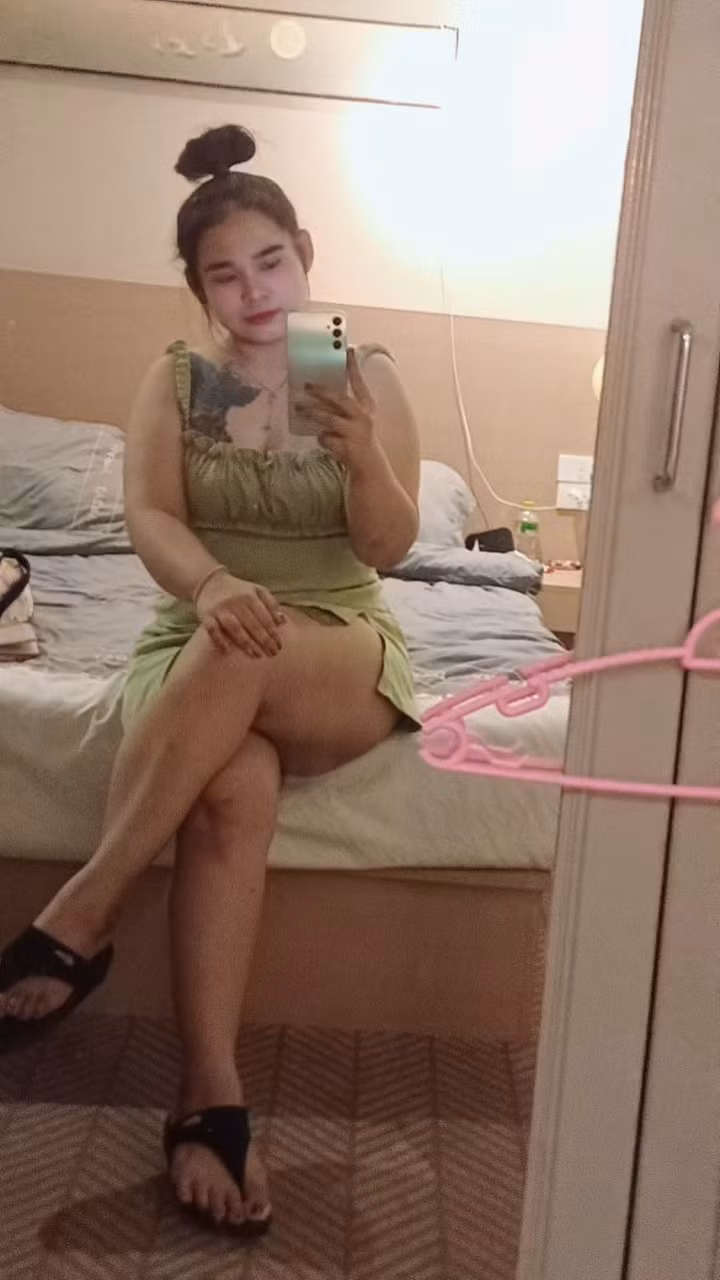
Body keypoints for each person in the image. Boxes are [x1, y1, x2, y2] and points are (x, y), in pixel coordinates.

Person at [0, 125, 421, 1237]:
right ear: (198, 289)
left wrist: (363, 453)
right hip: (199, 631)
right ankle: (209, 1095)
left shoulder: (360, 370)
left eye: (272, 262)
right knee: (232, 783)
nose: (255, 291)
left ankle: (82, 913)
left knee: (252, 646)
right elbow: (149, 516)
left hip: (335, 640)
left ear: (305, 253)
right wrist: (216, 583)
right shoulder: (176, 379)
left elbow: (387, 548)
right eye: (225, 275)